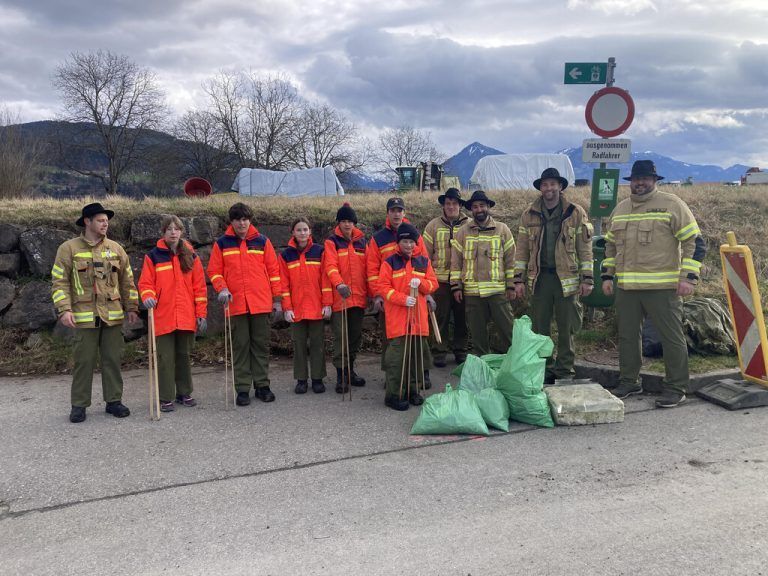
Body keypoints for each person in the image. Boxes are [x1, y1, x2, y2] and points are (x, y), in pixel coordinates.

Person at [601, 160, 706, 408]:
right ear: (631, 182)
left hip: (662, 288)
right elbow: (610, 245)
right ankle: (629, 381)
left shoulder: (672, 205)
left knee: (671, 337)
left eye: (645, 179)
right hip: (627, 288)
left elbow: (695, 242)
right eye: (636, 179)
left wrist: (688, 277)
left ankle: (676, 387)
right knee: (627, 337)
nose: (640, 183)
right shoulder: (621, 208)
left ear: (654, 180)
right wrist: (607, 276)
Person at [51, 202, 139, 423]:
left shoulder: (116, 249)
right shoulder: (68, 249)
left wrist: (132, 307)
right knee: (84, 362)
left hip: (112, 316)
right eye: (100, 220)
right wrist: (64, 309)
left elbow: (127, 281)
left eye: (106, 220)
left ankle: (114, 402)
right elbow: (59, 282)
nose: (105, 223)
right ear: (87, 222)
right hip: (84, 317)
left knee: (113, 360)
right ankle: (79, 405)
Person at [513, 168, 594, 383]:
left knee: (567, 327)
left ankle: (565, 370)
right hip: (540, 279)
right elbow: (521, 250)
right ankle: (545, 370)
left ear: (560, 186)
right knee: (540, 329)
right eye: (545, 184)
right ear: (541, 188)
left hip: (566, 279)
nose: (549, 188)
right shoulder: (528, 214)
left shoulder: (575, 213)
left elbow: (585, 249)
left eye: (553, 184)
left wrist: (587, 278)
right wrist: (518, 279)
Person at [207, 202, 282, 406]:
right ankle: (242, 389)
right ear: (231, 221)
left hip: (261, 302)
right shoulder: (222, 244)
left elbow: (274, 272)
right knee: (240, 347)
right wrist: (222, 288)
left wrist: (276, 300)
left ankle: (262, 385)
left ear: (250, 220)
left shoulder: (262, 241)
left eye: (245, 219)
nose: (242, 223)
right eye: (238, 219)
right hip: (236, 303)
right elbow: (214, 271)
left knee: (260, 345)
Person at [138, 215, 208, 412]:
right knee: (165, 358)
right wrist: (148, 296)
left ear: (181, 232)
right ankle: (165, 397)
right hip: (163, 316)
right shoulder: (153, 256)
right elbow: (145, 283)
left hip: (186, 315)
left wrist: (201, 313)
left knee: (184, 356)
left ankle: (184, 392)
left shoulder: (191, 256)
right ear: (163, 232)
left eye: (176, 229)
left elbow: (200, 288)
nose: (172, 232)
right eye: (169, 229)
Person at [367, 197, 431, 387]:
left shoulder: (415, 235)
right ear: (388, 213)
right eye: (393, 210)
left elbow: (425, 266)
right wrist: (377, 295)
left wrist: (426, 294)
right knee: (392, 339)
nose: (396, 214)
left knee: (419, 336)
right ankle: (392, 376)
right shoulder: (378, 238)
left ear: (404, 213)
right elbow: (372, 269)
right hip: (391, 297)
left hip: (415, 297)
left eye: (399, 210)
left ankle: (421, 374)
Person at [379, 223, 438, 410]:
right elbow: (383, 288)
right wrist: (402, 299)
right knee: (397, 361)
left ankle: (413, 391)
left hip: (418, 319)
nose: (409, 245)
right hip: (398, 319)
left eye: (411, 241)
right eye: (405, 241)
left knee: (415, 358)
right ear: (399, 242)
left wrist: (420, 282)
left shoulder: (423, 261)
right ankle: (394, 395)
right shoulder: (389, 262)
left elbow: (433, 284)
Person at [450, 190, 516, 356]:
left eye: (481, 206)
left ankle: (516, 364)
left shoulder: (502, 229)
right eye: (475, 207)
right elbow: (456, 262)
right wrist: (456, 287)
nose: (479, 209)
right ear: (471, 210)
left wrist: (511, 285)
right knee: (478, 336)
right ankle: (483, 369)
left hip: (498, 291)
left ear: (488, 207)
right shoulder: (463, 232)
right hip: (472, 293)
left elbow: (511, 261)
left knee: (508, 332)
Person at [279, 217, 333, 394]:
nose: (302, 233)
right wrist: (287, 308)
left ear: (310, 232)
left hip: (317, 307)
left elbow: (325, 280)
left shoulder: (320, 251)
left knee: (318, 345)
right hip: (296, 309)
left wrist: (327, 304)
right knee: (299, 345)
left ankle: (317, 378)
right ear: (292, 232)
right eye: (298, 230)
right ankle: (301, 380)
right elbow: (283, 284)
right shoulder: (286, 255)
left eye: (305, 230)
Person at [323, 203, 368, 393]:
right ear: (338, 223)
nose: (347, 224)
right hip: (340, 298)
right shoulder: (332, 242)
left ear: (354, 223)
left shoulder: (362, 242)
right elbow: (330, 266)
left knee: (355, 338)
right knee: (341, 339)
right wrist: (339, 283)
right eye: (343, 221)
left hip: (358, 298)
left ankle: (350, 371)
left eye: (350, 221)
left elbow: (369, 270)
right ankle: (341, 376)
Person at [423, 187, 469, 367]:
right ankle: (439, 350)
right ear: (443, 205)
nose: (451, 207)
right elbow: (425, 255)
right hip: (439, 280)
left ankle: (461, 350)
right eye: (447, 203)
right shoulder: (432, 225)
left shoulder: (469, 224)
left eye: (454, 203)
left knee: (461, 318)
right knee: (440, 317)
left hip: (463, 280)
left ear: (460, 205)